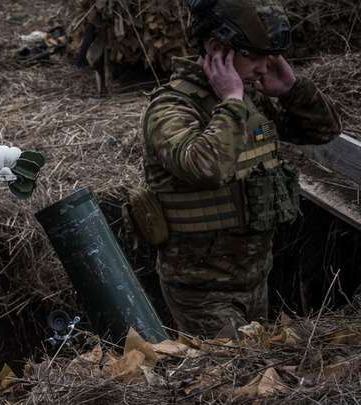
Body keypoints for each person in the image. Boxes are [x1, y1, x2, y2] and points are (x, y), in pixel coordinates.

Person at [141, 0, 341, 337]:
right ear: (217, 48)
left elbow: (323, 130)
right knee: (228, 379)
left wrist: (292, 91)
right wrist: (231, 101)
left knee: (258, 374)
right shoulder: (172, 107)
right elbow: (205, 167)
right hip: (202, 292)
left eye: (270, 56)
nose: (264, 67)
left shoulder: (253, 98)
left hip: (256, 278)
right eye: (254, 55)